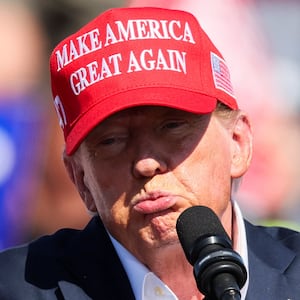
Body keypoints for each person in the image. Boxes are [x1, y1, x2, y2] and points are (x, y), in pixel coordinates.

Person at [0, 6, 299, 300]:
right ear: (80, 178)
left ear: (238, 142)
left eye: (172, 127)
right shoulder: (15, 288)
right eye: (112, 141)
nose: (145, 163)